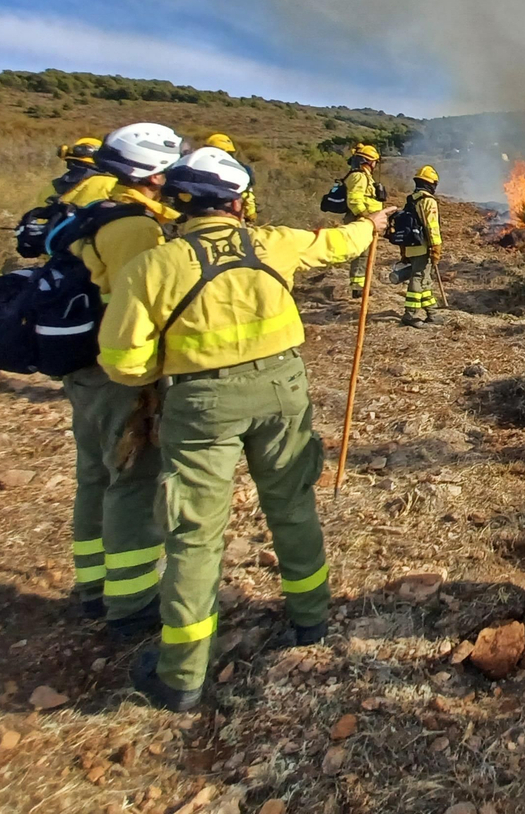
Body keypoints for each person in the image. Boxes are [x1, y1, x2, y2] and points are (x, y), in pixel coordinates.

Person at [99, 147, 394, 711]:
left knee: (194, 532)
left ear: (179, 202)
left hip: (200, 404)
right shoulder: (272, 243)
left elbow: (123, 362)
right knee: (292, 503)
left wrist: (172, 367)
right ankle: (311, 619)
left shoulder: (153, 266)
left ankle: (181, 674)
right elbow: (339, 243)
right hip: (283, 391)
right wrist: (372, 224)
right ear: (238, 201)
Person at [62, 123, 184, 637]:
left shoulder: (92, 205)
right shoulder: (136, 229)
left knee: (94, 474)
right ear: (152, 174)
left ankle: (92, 588)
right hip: (118, 372)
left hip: (83, 365)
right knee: (132, 481)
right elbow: (142, 312)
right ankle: (132, 605)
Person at [398, 165, 443, 326]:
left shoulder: (412, 199)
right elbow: (432, 227)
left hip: (411, 245)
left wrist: (403, 250)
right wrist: (436, 247)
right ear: (431, 184)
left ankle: (432, 312)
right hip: (422, 246)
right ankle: (410, 315)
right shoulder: (428, 201)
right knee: (418, 278)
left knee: (425, 279)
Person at [343, 144, 385, 299]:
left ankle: (360, 286)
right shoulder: (359, 176)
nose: (375, 165)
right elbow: (354, 200)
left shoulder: (364, 176)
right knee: (361, 254)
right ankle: (358, 289)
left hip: (366, 220)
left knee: (364, 254)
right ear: (367, 161)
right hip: (361, 220)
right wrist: (365, 217)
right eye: (374, 161)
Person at [203, 134, 257, 223]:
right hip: (230, 216)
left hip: (197, 216)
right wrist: (250, 214)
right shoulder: (241, 169)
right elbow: (247, 195)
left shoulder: (196, 165)